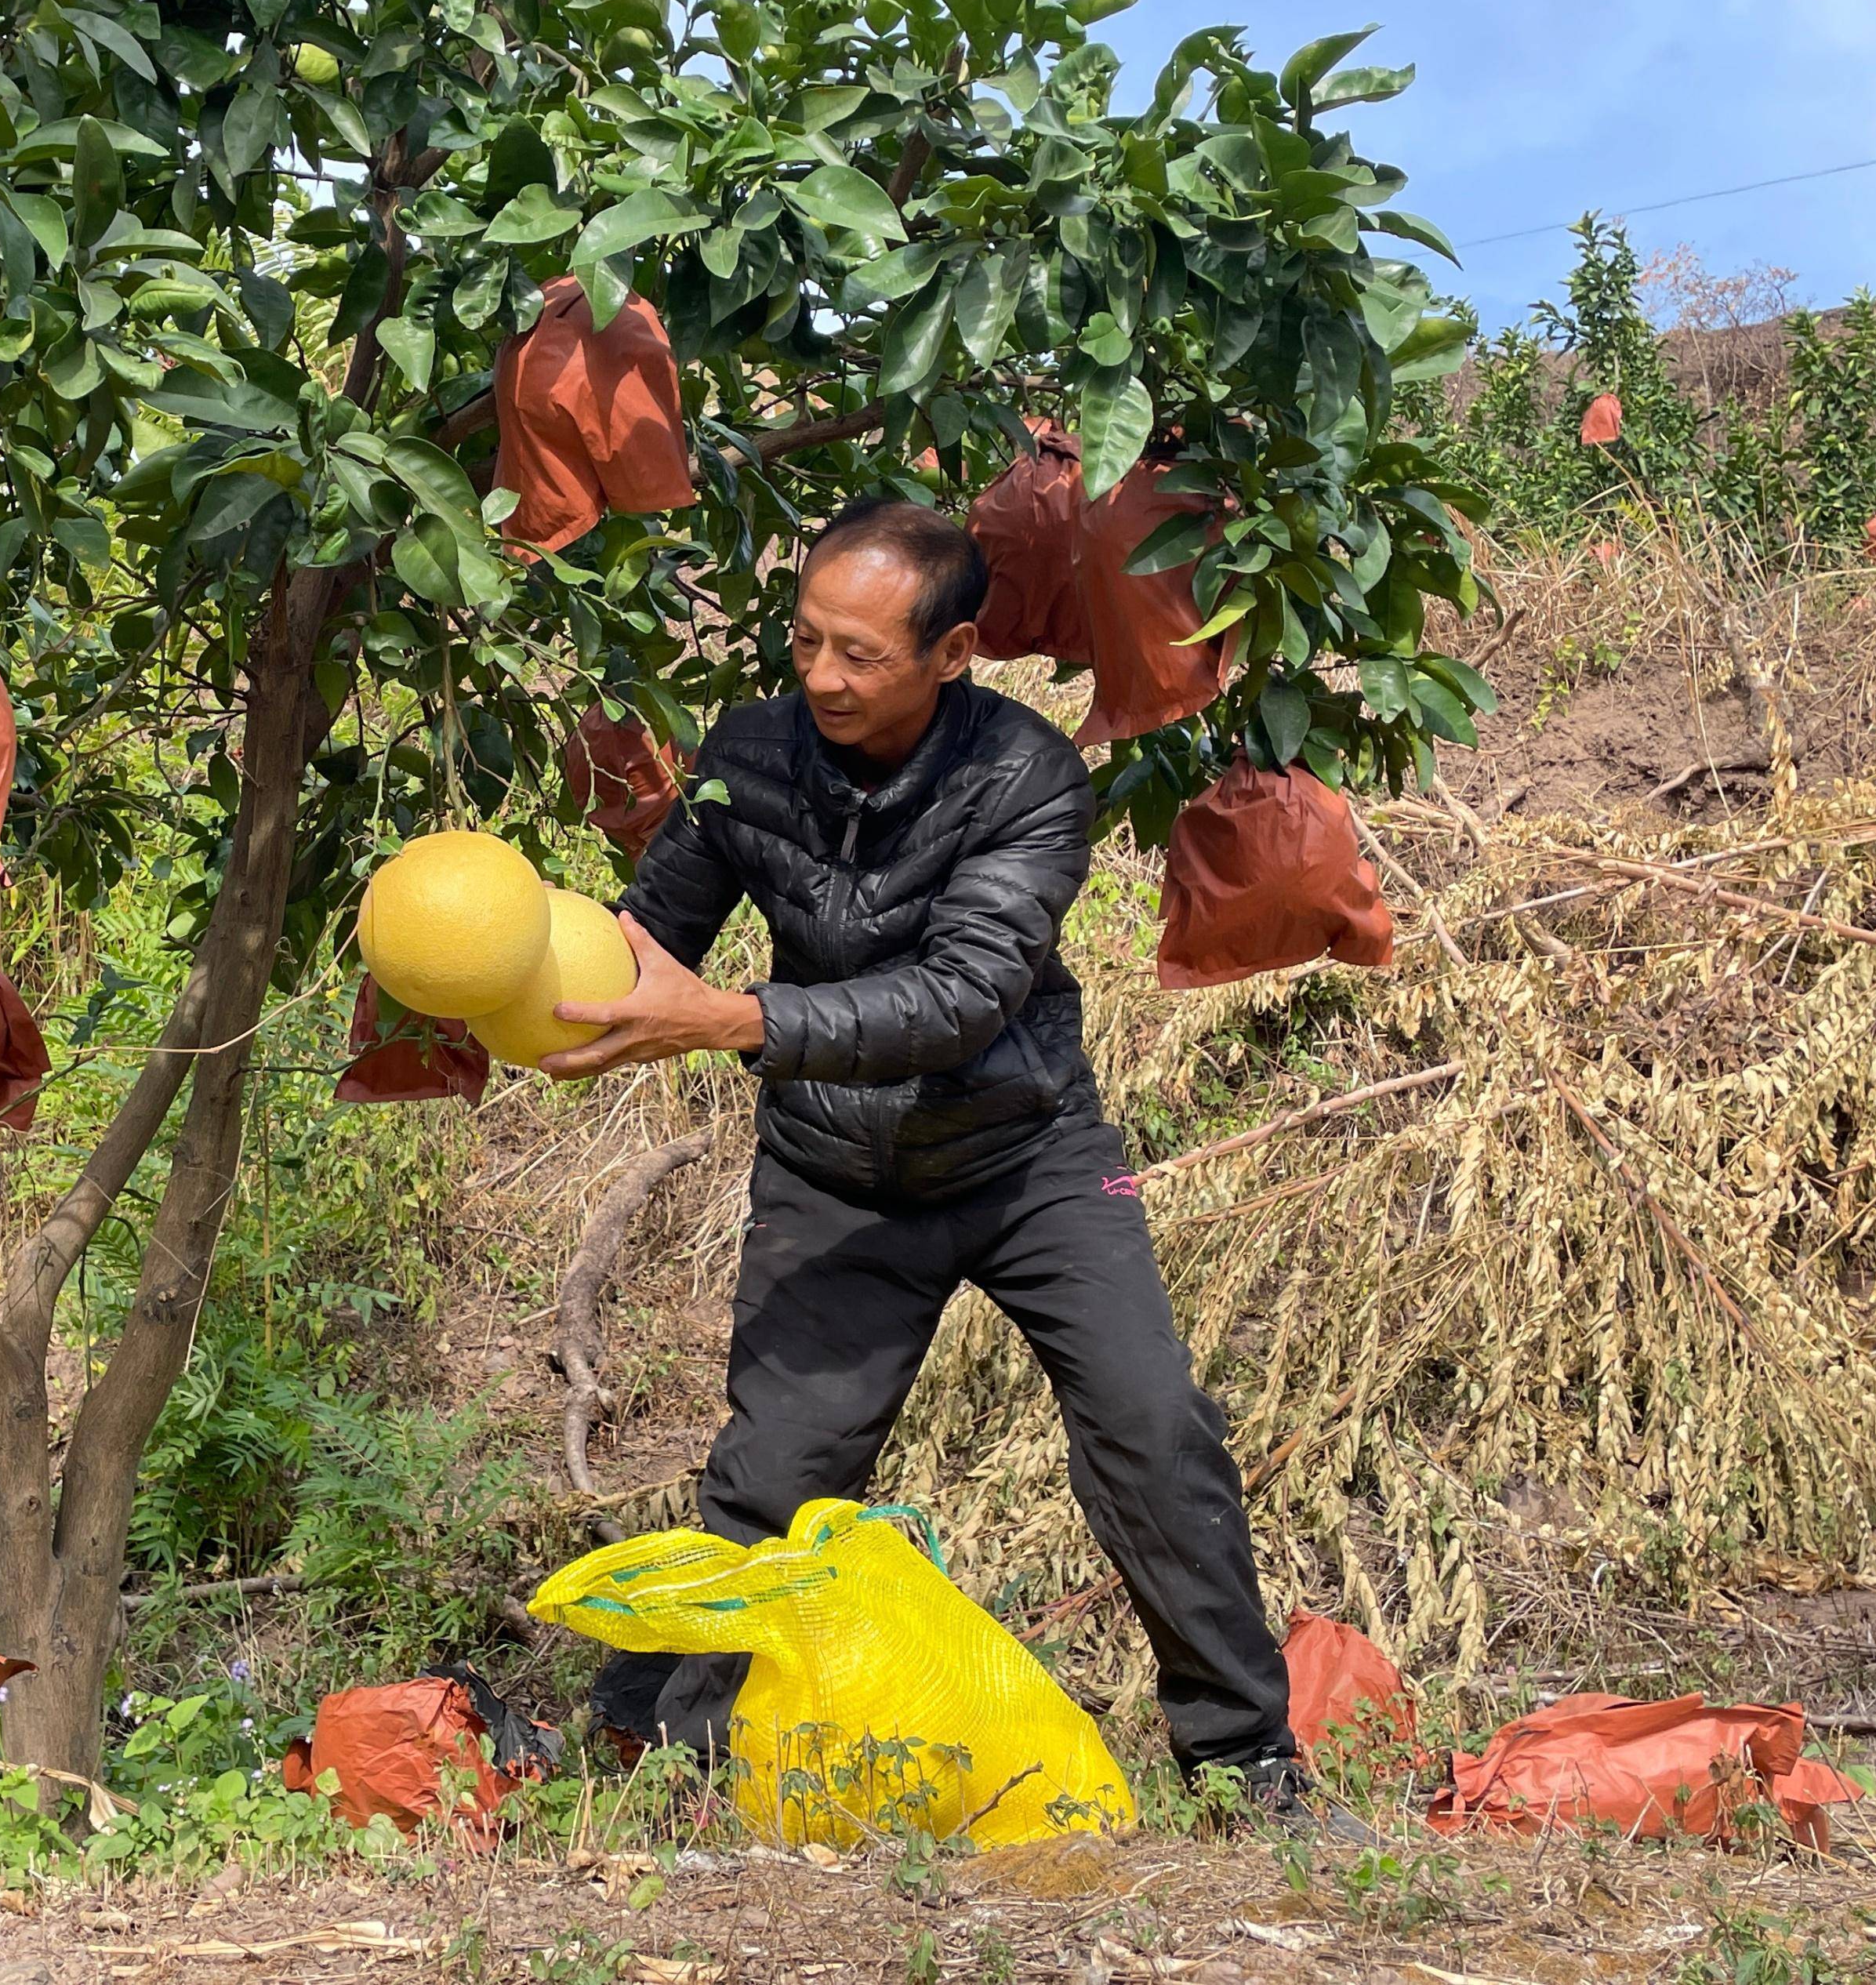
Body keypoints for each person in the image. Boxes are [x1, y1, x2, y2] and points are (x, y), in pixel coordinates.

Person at [542, 496, 1362, 1838]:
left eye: (860, 655)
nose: (821, 677)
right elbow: (648, 944)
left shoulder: (1030, 780)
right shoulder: (748, 755)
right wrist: (515, 976)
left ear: (956, 650)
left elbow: (962, 998)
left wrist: (735, 1021)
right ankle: (661, 1757)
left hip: (1027, 1157)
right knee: (773, 1478)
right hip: (835, 1172)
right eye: (804, 640)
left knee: (1155, 1434)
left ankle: (1245, 1760)